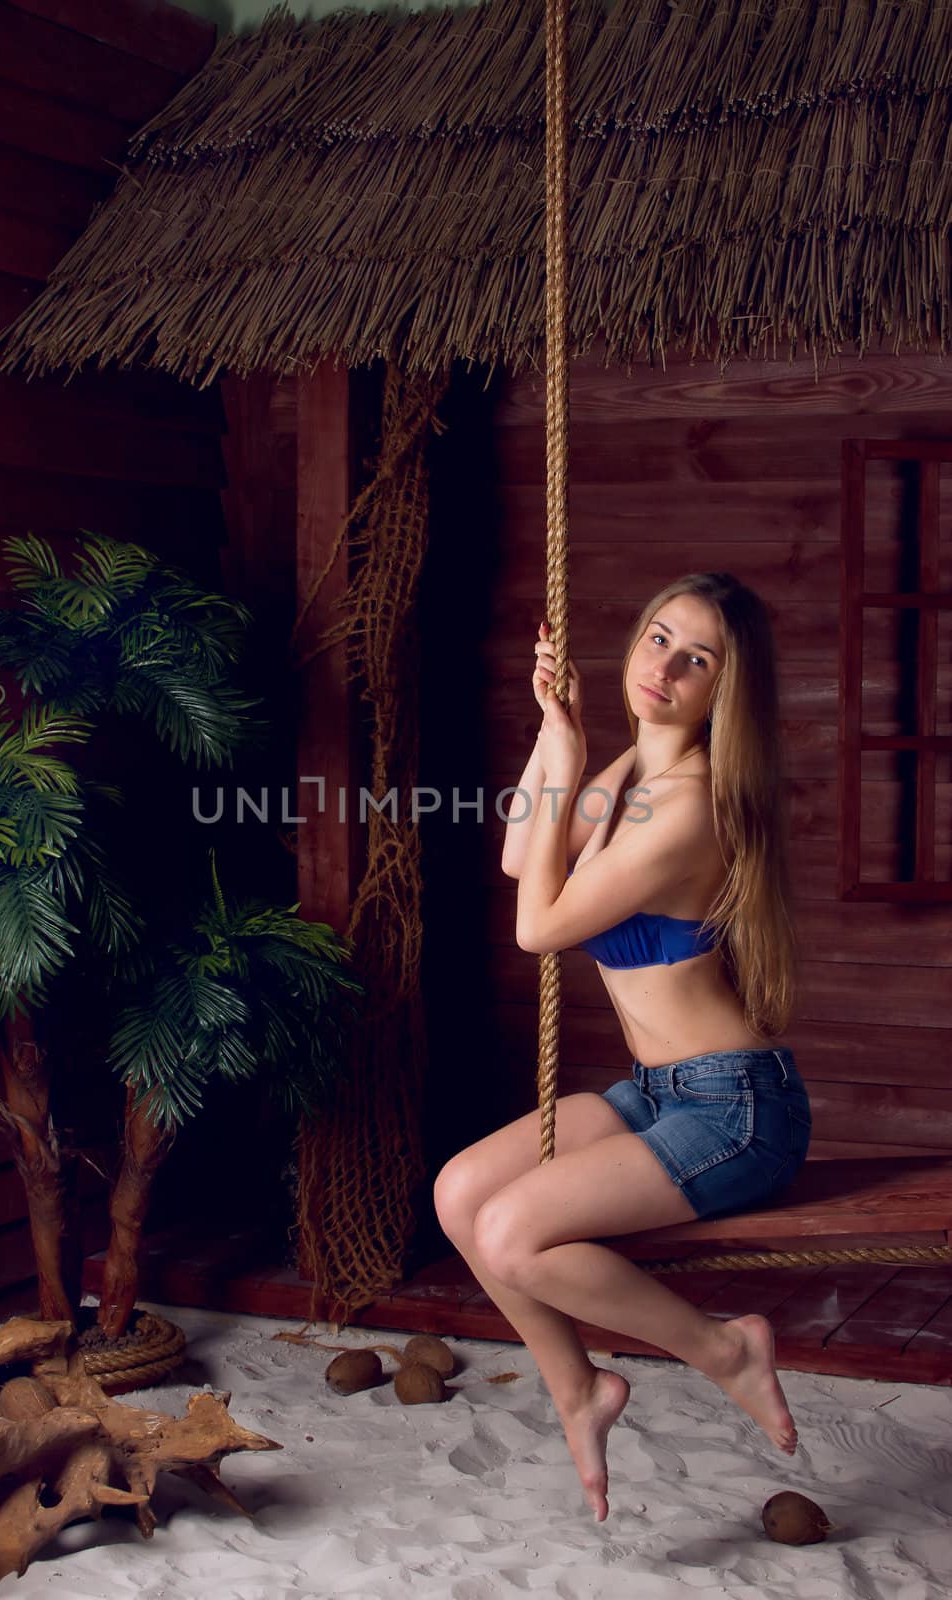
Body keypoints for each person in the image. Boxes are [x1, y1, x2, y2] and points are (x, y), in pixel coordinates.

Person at [433, 570, 812, 1522]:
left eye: (699, 658)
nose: (667, 666)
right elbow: (526, 855)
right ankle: (578, 1389)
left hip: (735, 1108)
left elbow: (538, 923)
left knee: (514, 1235)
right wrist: (557, 736)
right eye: (657, 638)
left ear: (725, 688)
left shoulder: (687, 804)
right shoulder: (635, 776)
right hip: (657, 1092)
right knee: (459, 1195)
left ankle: (728, 1349)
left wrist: (568, 767)